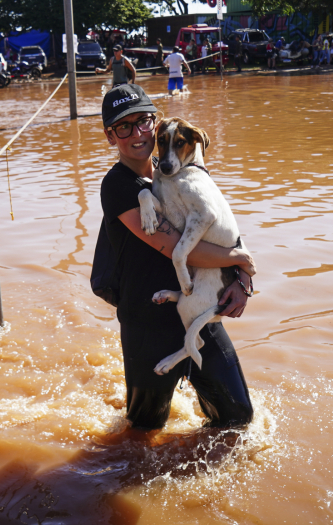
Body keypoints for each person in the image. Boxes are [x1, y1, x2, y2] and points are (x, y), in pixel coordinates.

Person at [98, 84, 255, 431]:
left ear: (157, 125)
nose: (137, 133)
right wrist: (242, 260)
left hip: (199, 309)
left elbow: (220, 222)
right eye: (124, 127)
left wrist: (244, 280)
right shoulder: (119, 186)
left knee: (237, 418)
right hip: (148, 324)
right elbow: (178, 248)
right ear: (110, 136)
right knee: (144, 431)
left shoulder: (178, 170)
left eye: (143, 122)